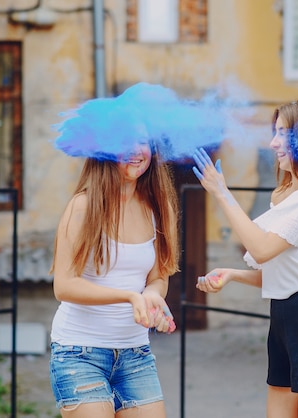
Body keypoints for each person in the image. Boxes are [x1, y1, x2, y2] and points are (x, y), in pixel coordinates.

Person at [192, 99, 298, 418]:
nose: (273, 143)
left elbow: (261, 249)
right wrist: (232, 274)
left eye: (283, 133)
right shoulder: (294, 196)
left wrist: (221, 193)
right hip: (285, 320)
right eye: (275, 132)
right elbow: (285, 273)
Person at [48, 93, 179, 417]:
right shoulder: (83, 206)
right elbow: (64, 286)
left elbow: (159, 275)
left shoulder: (157, 208)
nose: (136, 150)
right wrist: (128, 298)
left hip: (136, 353)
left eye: (142, 141)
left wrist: (150, 295)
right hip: (80, 354)